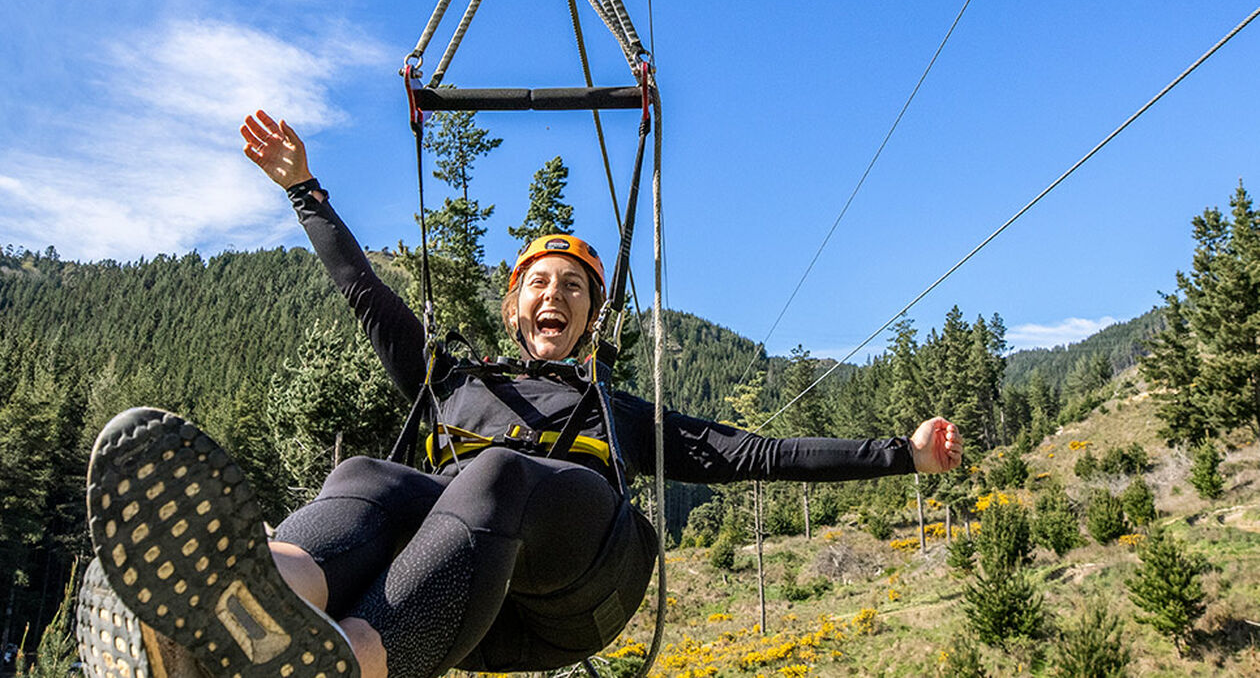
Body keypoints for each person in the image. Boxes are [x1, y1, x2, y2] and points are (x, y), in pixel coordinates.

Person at [80, 109, 963, 678]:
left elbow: (758, 454)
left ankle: (358, 663)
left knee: (497, 474)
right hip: (458, 598)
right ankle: (257, 599)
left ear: (592, 319)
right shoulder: (451, 383)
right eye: (540, 284)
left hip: (573, 593)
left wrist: (904, 453)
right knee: (366, 475)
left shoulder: (617, 412)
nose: (556, 296)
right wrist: (305, 191)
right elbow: (365, 293)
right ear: (514, 308)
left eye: (574, 288)